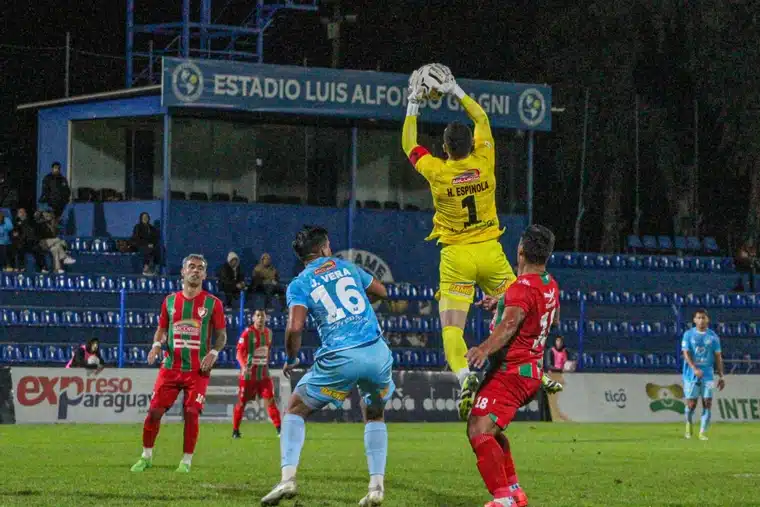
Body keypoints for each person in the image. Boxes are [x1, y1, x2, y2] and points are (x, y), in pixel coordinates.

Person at [403, 63, 523, 419]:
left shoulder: (437, 171)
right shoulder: (485, 160)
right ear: (473, 143)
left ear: (444, 148)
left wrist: (414, 103)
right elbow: (482, 117)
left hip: (456, 255)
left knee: (452, 328)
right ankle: (523, 375)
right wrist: (454, 90)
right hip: (490, 251)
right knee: (522, 309)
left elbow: (409, 143)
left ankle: (464, 376)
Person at [261, 226, 392, 506]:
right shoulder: (348, 267)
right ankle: (376, 487)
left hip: (341, 358)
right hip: (377, 353)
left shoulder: (300, 283)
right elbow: (381, 291)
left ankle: (287, 480)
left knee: (295, 408)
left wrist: (291, 357)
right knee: (374, 413)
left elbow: (295, 327)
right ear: (323, 249)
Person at [464, 225, 559, 507]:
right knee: (491, 432)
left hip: (512, 372)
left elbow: (508, 326)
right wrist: (503, 302)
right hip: (529, 372)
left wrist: (483, 348)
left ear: (520, 251)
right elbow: (550, 319)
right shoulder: (549, 284)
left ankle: (502, 499)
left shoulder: (521, 288)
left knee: (478, 430)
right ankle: (514, 491)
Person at [130, 253, 227, 473]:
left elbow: (221, 335)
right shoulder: (170, 301)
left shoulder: (213, 304)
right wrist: (156, 344)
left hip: (197, 370)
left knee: (192, 412)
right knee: (154, 411)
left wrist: (214, 351)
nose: (196, 270)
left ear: (204, 274)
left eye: (200, 268)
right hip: (171, 367)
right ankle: (146, 456)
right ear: (183, 272)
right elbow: (162, 329)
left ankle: (186, 461)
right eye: (191, 267)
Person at [232, 308, 281, 438]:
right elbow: (238, 353)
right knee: (242, 402)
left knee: (271, 401)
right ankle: (235, 430)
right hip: (248, 376)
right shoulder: (248, 333)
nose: (260, 318)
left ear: (266, 318)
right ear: (253, 318)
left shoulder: (268, 333)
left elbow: (267, 351)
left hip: (264, 375)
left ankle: (280, 430)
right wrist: (243, 366)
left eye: (262, 316)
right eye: (258, 315)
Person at [681, 309, 725, 441]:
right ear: (694, 320)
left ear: (708, 320)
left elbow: (718, 357)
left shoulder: (713, 337)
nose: (701, 320)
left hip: (708, 375)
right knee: (692, 405)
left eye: (703, 318)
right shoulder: (688, 335)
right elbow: (686, 353)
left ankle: (702, 432)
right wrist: (694, 368)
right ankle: (689, 424)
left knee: (707, 402)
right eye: (698, 318)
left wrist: (721, 375)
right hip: (691, 375)